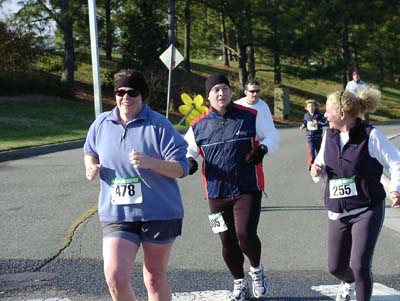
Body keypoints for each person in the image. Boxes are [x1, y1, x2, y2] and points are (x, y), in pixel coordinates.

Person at [83, 69, 189, 301]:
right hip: (118, 213)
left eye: (132, 92)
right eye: (120, 92)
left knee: (153, 277)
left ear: (143, 96)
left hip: (159, 212)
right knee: (115, 276)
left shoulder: (158, 125)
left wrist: (151, 163)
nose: (125, 97)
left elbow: (182, 168)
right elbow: (90, 151)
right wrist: (91, 166)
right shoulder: (102, 123)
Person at [184, 73, 279, 301]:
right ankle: (239, 282)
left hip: (247, 188)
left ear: (230, 92)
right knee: (226, 240)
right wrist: (189, 161)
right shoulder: (198, 125)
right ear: (208, 96)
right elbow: (187, 150)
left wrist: (263, 149)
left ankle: (256, 270)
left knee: (245, 234)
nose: (221, 93)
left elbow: (272, 136)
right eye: (215, 89)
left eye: (225, 88)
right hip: (216, 193)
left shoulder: (250, 116)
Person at [310, 88, 400, 301]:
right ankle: (348, 281)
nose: (324, 115)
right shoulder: (328, 135)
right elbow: (321, 164)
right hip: (337, 210)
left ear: (342, 114)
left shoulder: (371, 135)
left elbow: (396, 162)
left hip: (367, 209)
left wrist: (396, 189)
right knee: (335, 267)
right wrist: (317, 170)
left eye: (328, 110)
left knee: (360, 265)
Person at [234, 79, 279, 157]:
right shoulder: (236, 105)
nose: (255, 94)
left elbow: (270, 132)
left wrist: (263, 147)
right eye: (252, 91)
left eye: (257, 91)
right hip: (237, 145)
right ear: (245, 92)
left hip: (254, 146)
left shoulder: (263, 106)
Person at [299, 99, 327, 170]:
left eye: (312, 106)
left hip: (318, 136)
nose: (311, 108)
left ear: (315, 107)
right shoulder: (306, 115)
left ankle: (320, 164)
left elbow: (325, 123)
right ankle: (311, 164)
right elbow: (305, 122)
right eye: (309, 107)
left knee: (319, 151)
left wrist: (317, 122)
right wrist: (303, 125)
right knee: (311, 150)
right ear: (306, 108)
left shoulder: (319, 115)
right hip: (309, 136)